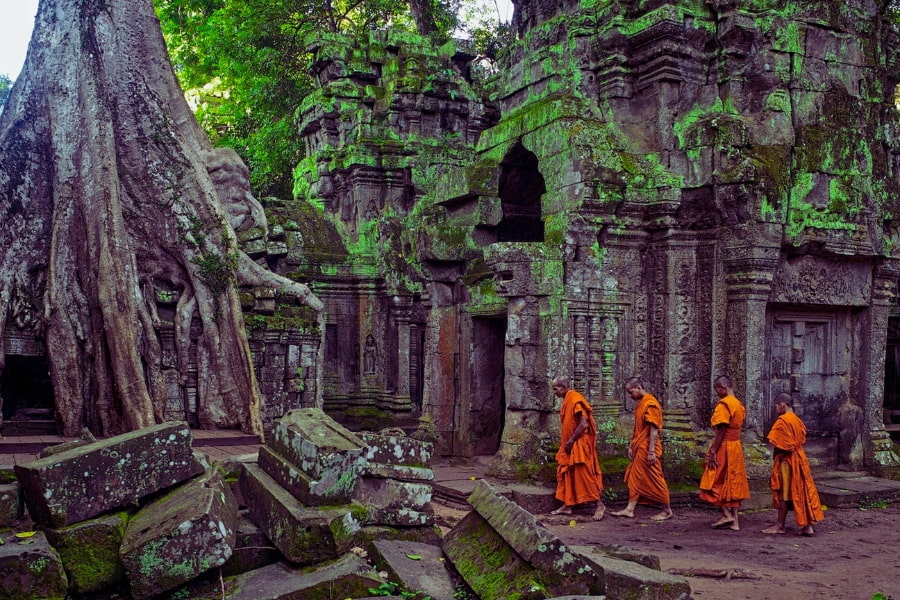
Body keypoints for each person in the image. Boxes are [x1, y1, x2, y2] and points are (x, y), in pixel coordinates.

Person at [611, 378, 674, 521]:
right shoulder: (641, 404)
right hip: (639, 446)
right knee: (635, 477)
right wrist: (631, 445)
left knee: (655, 476)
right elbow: (638, 428)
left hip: (648, 447)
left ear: (639, 387)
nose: (630, 396)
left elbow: (654, 430)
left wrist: (651, 451)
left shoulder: (650, 404)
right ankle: (629, 509)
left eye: (631, 392)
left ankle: (667, 510)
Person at [761, 393, 824, 536]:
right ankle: (807, 526)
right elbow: (801, 439)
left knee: (784, 492)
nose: (776, 408)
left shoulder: (782, 421)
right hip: (800, 458)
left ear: (782, 405)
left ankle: (780, 525)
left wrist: (776, 459)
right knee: (801, 490)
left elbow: (782, 445)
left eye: (776, 406)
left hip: (787, 461)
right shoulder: (797, 420)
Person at [549, 376, 606, 520]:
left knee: (584, 474)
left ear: (563, 387)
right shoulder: (567, 400)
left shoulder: (575, 399)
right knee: (566, 473)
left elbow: (583, 424)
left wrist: (571, 440)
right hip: (569, 443)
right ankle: (567, 505)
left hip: (578, 443)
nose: (554, 392)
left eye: (555, 389)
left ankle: (599, 505)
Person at [699, 375, 750, 530]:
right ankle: (734, 520)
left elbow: (721, 429)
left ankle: (726, 514)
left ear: (724, 387)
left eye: (717, 390)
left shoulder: (724, 404)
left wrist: (713, 450)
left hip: (724, 446)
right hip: (736, 446)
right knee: (732, 481)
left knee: (712, 480)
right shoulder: (738, 404)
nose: (717, 393)